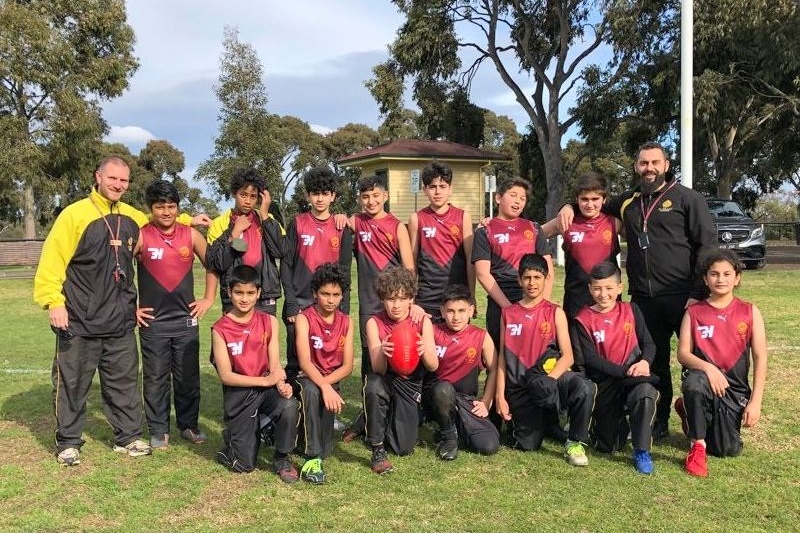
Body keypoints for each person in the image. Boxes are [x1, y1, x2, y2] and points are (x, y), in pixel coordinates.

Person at [33, 156, 209, 466]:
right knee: (72, 383)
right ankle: (68, 442)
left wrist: (189, 222)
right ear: (97, 176)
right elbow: (53, 259)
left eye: (124, 180)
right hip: (79, 318)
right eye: (112, 178)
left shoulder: (131, 216)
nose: (118, 185)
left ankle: (127, 437)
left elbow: (161, 221)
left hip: (121, 321)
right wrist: (54, 302)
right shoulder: (75, 215)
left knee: (124, 383)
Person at [557, 142, 716, 439]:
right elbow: (592, 201)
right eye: (644, 163)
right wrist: (566, 204)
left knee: (695, 361)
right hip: (644, 299)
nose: (649, 168)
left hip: (685, 297)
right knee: (654, 362)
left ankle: (701, 421)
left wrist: (697, 292)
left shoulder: (688, 199)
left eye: (655, 162)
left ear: (666, 165)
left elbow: (707, 247)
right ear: (636, 167)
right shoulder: (628, 201)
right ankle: (658, 421)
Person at [135, 180, 215, 449]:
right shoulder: (141, 236)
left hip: (186, 321)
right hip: (153, 322)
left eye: (171, 206)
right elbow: (119, 271)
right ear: (151, 209)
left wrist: (208, 298)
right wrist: (131, 307)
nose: (166, 212)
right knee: (156, 377)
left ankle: (189, 425)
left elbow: (213, 265)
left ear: (178, 208)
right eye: (160, 207)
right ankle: (158, 429)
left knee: (187, 377)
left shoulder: (191, 235)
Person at [495, 254, 596, 466]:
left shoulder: (555, 312)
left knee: (583, 387)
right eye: (527, 277)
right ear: (519, 280)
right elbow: (502, 358)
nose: (532, 283)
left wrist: (548, 381)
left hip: (549, 379)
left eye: (537, 277)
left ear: (546, 279)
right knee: (528, 444)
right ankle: (546, 421)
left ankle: (575, 441)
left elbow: (568, 355)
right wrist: (500, 395)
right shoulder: (508, 313)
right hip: (521, 388)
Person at [674, 250, 767, 478]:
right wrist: (709, 368)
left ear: (737, 278)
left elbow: (760, 356)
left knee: (726, 450)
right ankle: (697, 446)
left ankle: (689, 412)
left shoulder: (750, 311)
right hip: (704, 381)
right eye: (714, 274)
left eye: (727, 274)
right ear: (705, 279)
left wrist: (755, 402)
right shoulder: (694, 312)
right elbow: (683, 353)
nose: (720, 279)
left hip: (733, 390)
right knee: (694, 384)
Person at [341, 175, 415, 443]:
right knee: (371, 359)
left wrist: (410, 304)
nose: (370, 201)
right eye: (365, 197)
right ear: (360, 199)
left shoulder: (397, 227)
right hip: (368, 305)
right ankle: (367, 416)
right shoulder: (356, 222)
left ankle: (397, 413)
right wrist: (342, 219)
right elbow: (342, 225)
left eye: (375, 196)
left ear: (385, 196)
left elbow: (408, 268)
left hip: (395, 304)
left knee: (399, 356)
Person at [211, 265, 300, 483]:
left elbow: (275, 365)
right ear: (229, 292)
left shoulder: (268, 321)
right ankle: (233, 439)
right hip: (239, 396)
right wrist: (265, 380)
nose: (244, 299)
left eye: (250, 293)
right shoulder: (220, 329)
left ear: (259, 293)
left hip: (266, 390)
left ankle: (281, 457)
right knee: (244, 466)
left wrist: (280, 384)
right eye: (239, 292)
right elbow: (226, 376)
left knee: (289, 404)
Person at [570, 262, 659, 474]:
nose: (603, 294)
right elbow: (590, 359)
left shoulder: (631, 310)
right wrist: (624, 372)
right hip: (606, 382)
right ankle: (615, 425)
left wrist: (644, 362)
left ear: (619, 288)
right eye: (598, 288)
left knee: (646, 392)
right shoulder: (582, 319)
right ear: (590, 289)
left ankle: (641, 450)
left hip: (635, 380)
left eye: (609, 288)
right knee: (607, 447)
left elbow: (649, 344)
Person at [363, 267, 437, 474]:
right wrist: (383, 352)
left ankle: (368, 419)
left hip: (409, 381)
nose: (396, 305)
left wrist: (423, 351)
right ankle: (377, 448)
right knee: (374, 386)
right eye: (390, 299)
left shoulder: (422, 321)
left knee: (402, 448)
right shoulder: (374, 322)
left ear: (411, 299)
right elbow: (377, 368)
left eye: (402, 298)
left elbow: (433, 366)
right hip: (386, 379)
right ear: (382, 299)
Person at [281, 167, 353, 382]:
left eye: (325, 193)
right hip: (300, 303)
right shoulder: (297, 223)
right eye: (315, 193)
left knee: (329, 359)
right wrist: (291, 303)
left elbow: (346, 272)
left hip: (329, 305)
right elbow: (286, 264)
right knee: (296, 360)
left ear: (333, 196)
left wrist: (344, 308)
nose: (320, 198)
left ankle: (327, 412)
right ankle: (295, 411)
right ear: (307, 195)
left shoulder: (342, 227)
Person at [472, 177, 553, 351]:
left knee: (535, 354)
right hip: (500, 301)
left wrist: (541, 306)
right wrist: (508, 308)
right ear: (498, 198)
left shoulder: (534, 228)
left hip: (531, 298)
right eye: (513, 195)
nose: (518, 201)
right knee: (502, 356)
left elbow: (548, 272)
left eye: (522, 198)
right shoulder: (485, 231)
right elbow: (482, 274)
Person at [293, 263, 354, 484]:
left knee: (328, 447)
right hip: (306, 378)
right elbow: (305, 362)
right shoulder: (304, 318)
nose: (330, 299)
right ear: (314, 293)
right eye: (325, 294)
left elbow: (347, 367)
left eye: (336, 294)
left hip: (329, 382)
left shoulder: (347, 322)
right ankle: (312, 459)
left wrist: (327, 385)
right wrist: (324, 387)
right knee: (310, 390)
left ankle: (308, 442)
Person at [424, 284, 500, 461]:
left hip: (465, 401)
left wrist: (486, 401)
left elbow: (495, 368)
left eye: (461, 310)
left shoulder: (481, 336)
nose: (456, 317)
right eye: (450, 311)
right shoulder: (432, 332)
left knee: (488, 445)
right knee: (443, 389)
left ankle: (456, 427)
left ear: (471, 310)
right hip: (434, 399)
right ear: (442, 311)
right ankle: (448, 437)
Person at [540, 172, 620, 319]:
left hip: (608, 300)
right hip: (576, 302)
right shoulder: (566, 221)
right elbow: (532, 234)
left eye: (595, 199)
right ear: (577, 199)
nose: (590, 204)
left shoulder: (614, 222)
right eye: (584, 199)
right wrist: (493, 225)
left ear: (604, 199)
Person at [206, 167, 284, 315]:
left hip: (265, 295)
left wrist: (265, 216)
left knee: (266, 338)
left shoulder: (268, 220)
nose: (248, 201)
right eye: (243, 195)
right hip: (234, 296)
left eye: (253, 196)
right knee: (235, 338)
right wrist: (235, 233)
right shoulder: (219, 223)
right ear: (234, 193)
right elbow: (217, 264)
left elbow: (279, 251)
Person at [408, 160, 475, 318]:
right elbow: (412, 263)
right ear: (425, 190)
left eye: (442, 186)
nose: (437, 192)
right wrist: (411, 297)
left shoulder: (463, 217)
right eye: (432, 187)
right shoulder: (416, 219)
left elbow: (470, 260)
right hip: (427, 298)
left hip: (457, 297)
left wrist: (471, 296)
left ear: (450, 189)